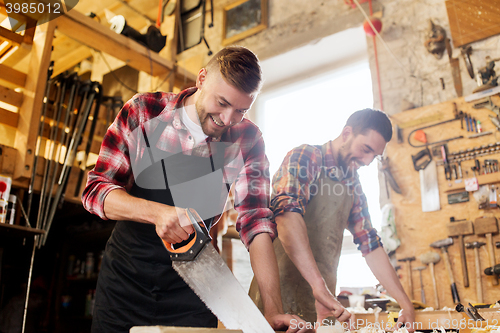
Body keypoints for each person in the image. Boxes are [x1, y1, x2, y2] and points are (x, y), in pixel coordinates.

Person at [82, 46, 309, 333]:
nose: (228, 119)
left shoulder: (248, 139)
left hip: (193, 287)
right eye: (222, 103)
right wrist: (158, 213)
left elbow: (256, 222)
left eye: (241, 110)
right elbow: (96, 191)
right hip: (125, 281)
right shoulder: (144, 111)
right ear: (201, 79)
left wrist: (273, 309)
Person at [249, 109, 415, 330]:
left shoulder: (353, 185)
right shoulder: (306, 157)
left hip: (321, 306)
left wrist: (405, 305)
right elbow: (287, 219)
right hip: (276, 300)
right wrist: (320, 287)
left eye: (374, 156)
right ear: (347, 133)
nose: (367, 161)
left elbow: (370, 244)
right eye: (365, 149)